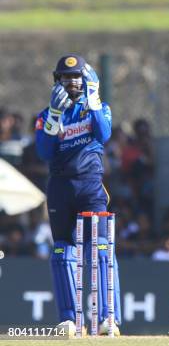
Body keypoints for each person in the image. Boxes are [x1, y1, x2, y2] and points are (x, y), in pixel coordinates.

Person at [35, 54, 121, 336]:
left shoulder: (99, 107)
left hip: (91, 186)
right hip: (60, 188)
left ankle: (109, 318)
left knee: (100, 249)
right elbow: (45, 152)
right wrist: (55, 117)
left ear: (86, 80)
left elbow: (104, 134)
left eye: (76, 77)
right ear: (57, 80)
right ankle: (70, 320)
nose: (71, 82)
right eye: (65, 77)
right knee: (61, 251)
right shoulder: (47, 114)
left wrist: (94, 100)